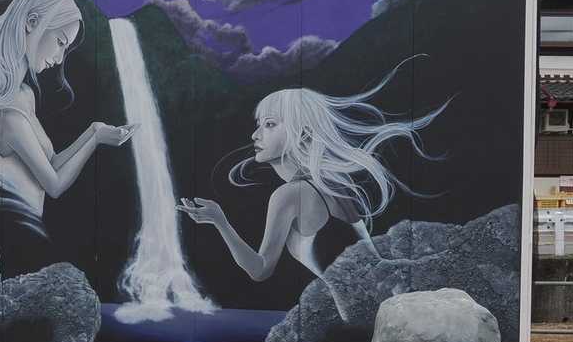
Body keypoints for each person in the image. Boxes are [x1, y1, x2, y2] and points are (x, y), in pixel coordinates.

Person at [178, 74, 441, 321]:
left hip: (367, 317)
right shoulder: (332, 184)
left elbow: (260, 270)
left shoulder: (290, 195)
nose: (255, 135)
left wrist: (220, 221)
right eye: (259, 125)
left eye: (269, 124)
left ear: (302, 133)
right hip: (387, 308)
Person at [0, 0, 135, 221]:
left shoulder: (24, 95)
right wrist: (95, 140)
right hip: (15, 230)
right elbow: (54, 185)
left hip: (28, 228)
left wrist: (93, 130)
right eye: (60, 42)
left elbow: (51, 164)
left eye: (66, 49)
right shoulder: (7, 117)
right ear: (31, 22)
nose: (60, 59)